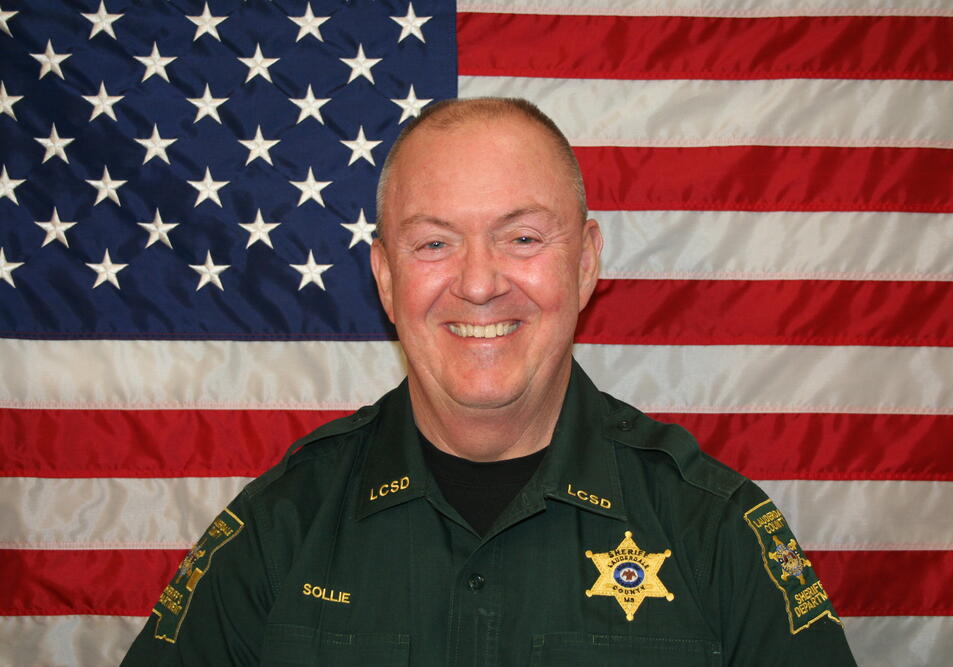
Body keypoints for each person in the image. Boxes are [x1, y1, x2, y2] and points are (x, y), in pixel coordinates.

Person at [122, 97, 857, 665]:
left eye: (523, 238)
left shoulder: (713, 529)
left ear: (586, 263)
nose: (477, 284)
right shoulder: (282, 527)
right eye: (435, 243)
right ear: (385, 277)